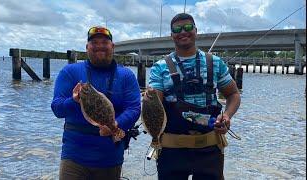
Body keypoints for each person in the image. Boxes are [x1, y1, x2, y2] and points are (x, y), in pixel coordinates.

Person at [146, 13, 241, 179]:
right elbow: (156, 104)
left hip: (210, 148)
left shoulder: (215, 62)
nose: (183, 31)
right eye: (177, 29)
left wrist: (226, 116)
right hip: (171, 150)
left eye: (188, 27)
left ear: (196, 31)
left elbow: (233, 94)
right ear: (171, 35)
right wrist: (149, 98)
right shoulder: (159, 67)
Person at [51, 26, 141, 179]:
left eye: (104, 42)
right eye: (94, 42)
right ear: (87, 47)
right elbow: (57, 109)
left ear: (112, 46)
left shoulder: (126, 75)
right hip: (74, 157)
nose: (99, 46)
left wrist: (115, 125)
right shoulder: (69, 72)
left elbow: (134, 108)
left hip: (110, 158)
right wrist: (74, 101)